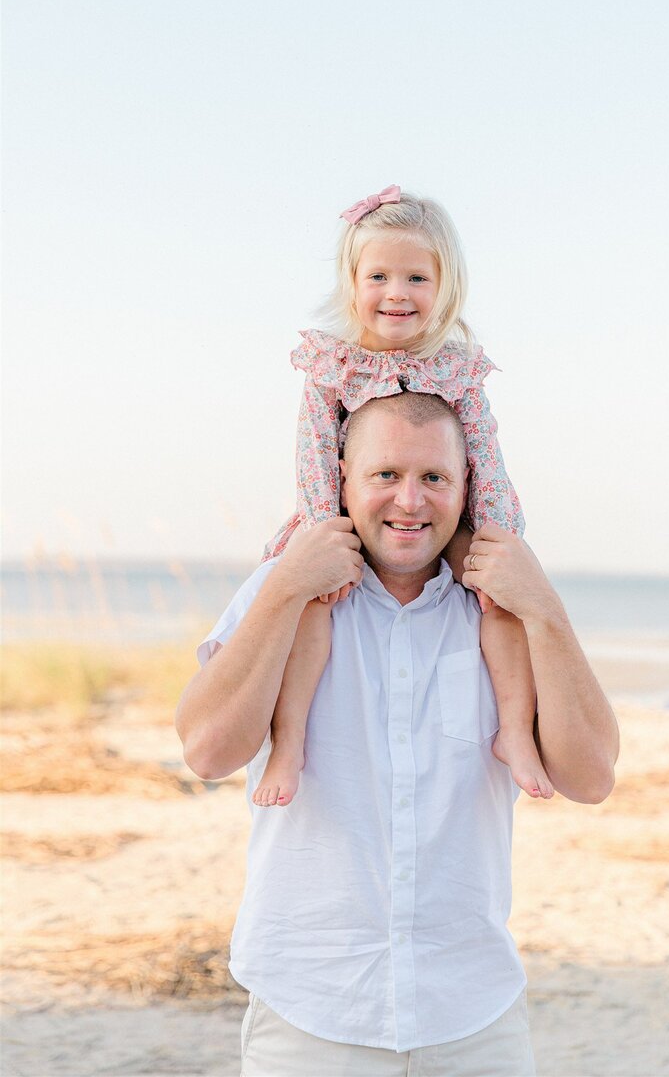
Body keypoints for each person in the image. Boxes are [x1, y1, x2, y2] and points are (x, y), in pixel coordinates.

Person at [175, 391, 619, 1077]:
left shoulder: (505, 609)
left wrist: (546, 610)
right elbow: (207, 751)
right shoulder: (285, 590)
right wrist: (286, 587)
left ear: (466, 485)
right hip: (310, 1013)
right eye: (385, 474)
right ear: (343, 479)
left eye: (433, 477)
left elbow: (590, 779)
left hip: (473, 1017)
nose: (409, 501)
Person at [251, 183, 554, 811]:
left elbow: (482, 452)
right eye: (379, 276)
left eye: (417, 278)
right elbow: (314, 451)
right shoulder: (334, 365)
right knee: (312, 603)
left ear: (444, 288)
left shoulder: (456, 368)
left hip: (445, 519)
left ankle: (516, 733)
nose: (397, 293)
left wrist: (499, 538)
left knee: (498, 598)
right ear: (352, 283)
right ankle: (289, 739)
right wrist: (323, 536)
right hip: (350, 514)